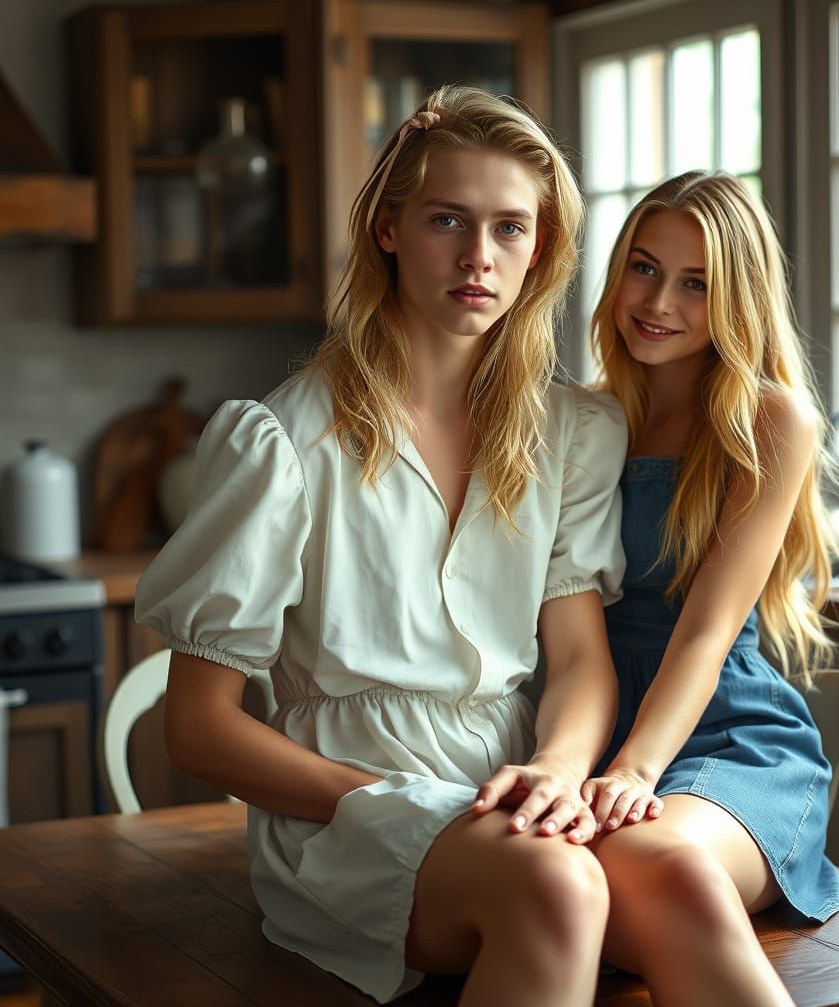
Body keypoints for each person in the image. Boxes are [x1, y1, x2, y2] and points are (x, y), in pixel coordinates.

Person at [134, 85, 628, 1006]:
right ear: (389, 229)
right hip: (341, 818)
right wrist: (385, 799)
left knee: (664, 884)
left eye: (510, 228)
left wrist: (557, 773)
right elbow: (196, 729)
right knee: (559, 890)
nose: (479, 256)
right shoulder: (284, 441)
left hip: (510, 794)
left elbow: (577, 660)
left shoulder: (570, 434)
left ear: (541, 249)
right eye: (448, 220)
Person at [584, 169, 839, 1007]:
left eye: (696, 283)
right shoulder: (585, 418)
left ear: (738, 297)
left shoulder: (769, 419)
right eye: (644, 267)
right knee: (568, 893)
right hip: (585, 730)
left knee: (654, 863)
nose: (659, 300)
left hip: (726, 740)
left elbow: (707, 630)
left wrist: (635, 769)